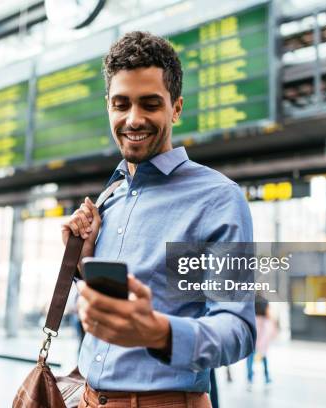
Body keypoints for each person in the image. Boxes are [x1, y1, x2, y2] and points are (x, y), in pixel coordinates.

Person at [61, 32, 255, 408]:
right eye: (121, 104)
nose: (133, 119)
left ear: (176, 108)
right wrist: (81, 262)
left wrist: (160, 332)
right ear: (109, 107)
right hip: (86, 397)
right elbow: (113, 308)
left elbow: (238, 329)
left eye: (150, 104)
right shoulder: (110, 197)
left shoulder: (217, 198)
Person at [246, 297, 276, 389]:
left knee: (250, 355)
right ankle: (266, 377)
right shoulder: (265, 301)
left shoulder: (250, 300)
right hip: (262, 328)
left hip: (253, 326)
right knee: (263, 354)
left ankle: (250, 379)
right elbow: (268, 315)